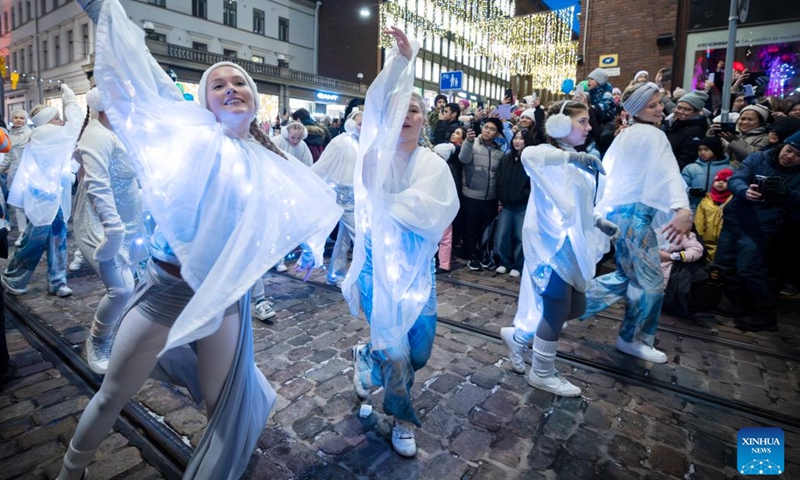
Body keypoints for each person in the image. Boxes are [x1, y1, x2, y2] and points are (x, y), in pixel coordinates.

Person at [59, 2, 341, 479]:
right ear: (204, 101)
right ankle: (72, 471)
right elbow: (140, 70)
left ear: (253, 99)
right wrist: (100, 5)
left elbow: (306, 205)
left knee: (223, 408)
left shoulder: (269, 160)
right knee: (112, 393)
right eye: (219, 84)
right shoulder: (188, 136)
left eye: (240, 84)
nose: (232, 89)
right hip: (163, 296)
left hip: (223, 305)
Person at [344, 27, 458, 457]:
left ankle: (364, 357)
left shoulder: (433, 163)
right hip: (378, 268)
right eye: (401, 109)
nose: (407, 115)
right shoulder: (373, 159)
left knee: (420, 355)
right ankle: (401, 418)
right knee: (395, 354)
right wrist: (401, 63)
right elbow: (376, 105)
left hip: (419, 274)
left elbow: (438, 211)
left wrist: (397, 204)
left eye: (415, 110)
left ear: (423, 119)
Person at [500, 100, 618, 396]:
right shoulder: (546, 156)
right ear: (559, 125)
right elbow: (530, 154)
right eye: (582, 121)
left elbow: (577, 206)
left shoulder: (577, 162)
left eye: (588, 121)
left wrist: (598, 221)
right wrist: (572, 159)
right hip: (549, 245)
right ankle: (541, 371)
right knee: (557, 308)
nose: (589, 127)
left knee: (575, 307)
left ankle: (520, 336)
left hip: (573, 246)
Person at [580, 82, 693, 363]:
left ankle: (565, 308)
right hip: (635, 215)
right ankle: (631, 338)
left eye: (659, 103)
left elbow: (608, 175)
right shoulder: (653, 136)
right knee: (651, 281)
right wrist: (682, 208)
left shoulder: (627, 134)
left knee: (626, 276)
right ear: (636, 109)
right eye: (653, 104)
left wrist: (604, 210)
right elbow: (670, 173)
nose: (659, 109)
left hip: (621, 212)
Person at [73, 88, 150, 374]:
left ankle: (125, 335)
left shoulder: (118, 132)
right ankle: (97, 341)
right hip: (103, 225)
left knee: (133, 286)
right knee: (121, 289)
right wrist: (113, 230)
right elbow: (97, 185)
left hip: (131, 223)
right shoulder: (97, 134)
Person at [714, 131, 800, 331]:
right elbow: (737, 179)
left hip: (762, 226)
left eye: (798, 155)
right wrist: (745, 191)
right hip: (736, 217)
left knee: (749, 269)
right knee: (724, 263)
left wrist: (785, 194)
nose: (790, 157)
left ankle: (765, 314)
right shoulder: (759, 158)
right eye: (789, 150)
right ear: (783, 145)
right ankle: (739, 305)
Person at [2, 86, 82, 298]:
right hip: (44, 197)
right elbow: (75, 122)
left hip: (49, 195)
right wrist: (69, 97)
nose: (61, 121)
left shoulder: (47, 135)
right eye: (57, 118)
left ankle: (56, 282)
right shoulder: (44, 133)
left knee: (57, 237)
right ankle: (14, 277)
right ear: (48, 122)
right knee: (38, 240)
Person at [311, 109, 362, 286]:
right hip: (345, 194)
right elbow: (324, 164)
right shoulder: (341, 142)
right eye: (360, 124)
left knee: (345, 237)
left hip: (360, 195)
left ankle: (335, 273)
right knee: (360, 236)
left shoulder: (365, 143)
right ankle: (365, 274)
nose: (363, 127)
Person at [459, 117, 504, 270]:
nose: (487, 131)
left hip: (490, 196)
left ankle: (483, 254)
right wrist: (468, 141)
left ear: (497, 134)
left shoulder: (499, 152)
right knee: (471, 229)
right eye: (486, 127)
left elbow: (498, 175)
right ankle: (472, 256)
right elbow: (463, 158)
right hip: (471, 194)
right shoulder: (472, 144)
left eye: (492, 129)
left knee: (486, 230)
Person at [493, 128, 536, 278]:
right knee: (502, 235)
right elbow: (499, 178)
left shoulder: (530, 160)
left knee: (520, 236)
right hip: (507, 204)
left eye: (521, 138)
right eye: (515, 138)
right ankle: (505, 263)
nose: (517, 141)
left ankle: (518, 265)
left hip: (522, 205)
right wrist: (500, 197)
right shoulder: (506, 158)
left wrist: (524, 195)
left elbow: (532, 183)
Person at [432, 126, 468, 272]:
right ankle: (442, 262)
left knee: (445, 234)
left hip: (445, 202)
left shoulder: (452, 164)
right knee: (442, 234)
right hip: (439, 202)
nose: (454, 134)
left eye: (458, 133)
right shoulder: (442, 165)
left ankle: (444, 263)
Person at [0, 110, 32, 244]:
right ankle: (22, 232)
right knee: (17, 204)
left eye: (22, 118)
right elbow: (8, 157)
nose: (19, 120)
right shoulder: (9, 136)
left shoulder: (32, 134)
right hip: (14, 173)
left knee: (32, 203)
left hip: (30, 172)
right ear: (11, 119)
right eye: (16, 117)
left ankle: (34, 232)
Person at [681, 136, 730, 213]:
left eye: (706, 149)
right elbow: (680, 187)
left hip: (719, 210)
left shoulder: (729, 169)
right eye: (699, 150)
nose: (702, 152)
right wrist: (690, 191)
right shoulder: (690, 168)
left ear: (716, 150)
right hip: (695, 209)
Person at [694, 168, 734, 262]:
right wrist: (699, 237)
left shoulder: (733, 201)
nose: (720, 183)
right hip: (707, 242)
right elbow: (699, 221)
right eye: (718, 180)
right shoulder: (706, 201)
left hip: (727, 241)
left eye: (725, 181)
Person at [665, 90, 710, 170]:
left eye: (687, 109)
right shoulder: (676, 122)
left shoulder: (696, 131)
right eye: (679, 107)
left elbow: (686, 159)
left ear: (698, 112)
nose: (680, 112)